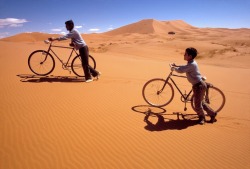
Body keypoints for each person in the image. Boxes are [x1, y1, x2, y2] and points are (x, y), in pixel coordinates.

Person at [170, 47, 217, 125]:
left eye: (185, 54)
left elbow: (181, 70)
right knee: (201, 103)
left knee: (198, 105)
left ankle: (202, 118)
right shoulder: (191, 63)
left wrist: (174, 68)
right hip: (198, 85)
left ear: (190, 56)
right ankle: (212, 114)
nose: (184, 55)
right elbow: (184, 67)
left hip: (199, 86)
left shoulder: (191, 64)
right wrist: (176, 65)